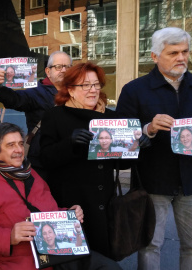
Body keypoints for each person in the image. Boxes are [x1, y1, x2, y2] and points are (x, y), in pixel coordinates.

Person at [40, 62, 149, 258]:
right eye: (85, 85)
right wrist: (70, 143)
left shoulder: (111, 117)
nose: (93, 90)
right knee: (71, 260)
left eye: (96, 84)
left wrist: (136, 147)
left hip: (103, 203)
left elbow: (121, 163)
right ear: (71, 90)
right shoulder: (55, 116)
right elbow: (45, 159)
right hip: (70, 202)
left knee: (101, 258)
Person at [116, 27, 192, 270]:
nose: (181, 58)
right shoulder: (134, 89)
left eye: (185, 51)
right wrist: (147, 128)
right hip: (153, 180)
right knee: (150, 245)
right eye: (173, 53)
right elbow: (121, 138)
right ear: (154, 56)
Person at [0, 122, 87, 270]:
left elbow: (44, 210)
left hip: (55, 255)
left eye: (20, 143)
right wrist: (8, 237)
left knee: (105, 265)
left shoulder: (30, 172)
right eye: (11, 145)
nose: (19, 150)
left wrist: (68, 215)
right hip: (14, 262)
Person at [0, 51, 72, 178]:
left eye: (68, 67)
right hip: (42, 163)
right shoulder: (36, 92)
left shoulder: (78, 92)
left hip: (69, 159)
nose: (64, 70)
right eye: (59, 67)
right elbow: (16, 99)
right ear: (48, 71)